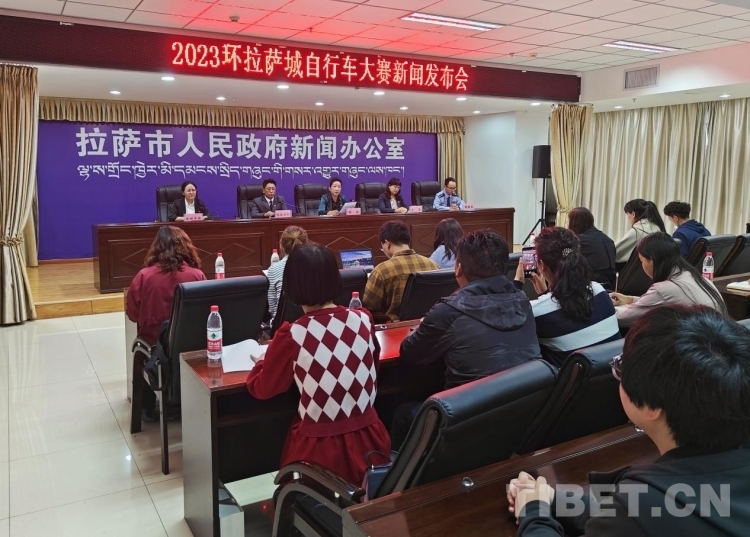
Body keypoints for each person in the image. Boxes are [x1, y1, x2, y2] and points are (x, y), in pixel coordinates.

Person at [508, 305, 750, 537]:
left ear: (652, 407)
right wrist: (551, 498)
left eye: (622, 366)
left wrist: (533, 511)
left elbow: (641, 513)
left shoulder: (645, 505)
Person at [245, 244, 390, 485]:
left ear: (291, 285)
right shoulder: (364, 319)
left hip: (320, 454)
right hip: (373, 442)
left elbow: (263, 388)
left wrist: (261, 363)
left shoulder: (293, 334)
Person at [393, 230, 541, 449]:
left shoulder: (448, 311)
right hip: (524, 414)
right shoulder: (523, 300)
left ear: (458, 268)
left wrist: (421, 328)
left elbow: (410, 354)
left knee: (400, 412)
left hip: (466, 421)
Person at [126, 226, 206, 419]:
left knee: (140, 347)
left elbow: (133, 315)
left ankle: (147, 406)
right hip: (191, 345)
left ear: (156, 248)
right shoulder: (197, 275)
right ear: (186, 247)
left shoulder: (144, 276)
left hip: (155, 347)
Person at [513, 227, 620, 367]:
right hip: (614, 374)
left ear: (541, 265)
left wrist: (517, 283)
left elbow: (511, 322)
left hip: (573, 380)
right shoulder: (599, 291)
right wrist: (546, 294)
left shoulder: (537, 312)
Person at [610, 232, 726, 328]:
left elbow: (621, 319)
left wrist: (605, 306)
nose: (642, 265)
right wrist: (630, 299)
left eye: (642, 261)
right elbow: (661, 302)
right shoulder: (694, 276)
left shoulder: (664, 289)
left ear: (652, 260)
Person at [363, 221, 439, 323]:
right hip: (428, 325)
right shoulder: (433, 265)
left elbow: (368, 308)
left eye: (382, 247)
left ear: (387, 243)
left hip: (395, 329)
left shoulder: (381, 271)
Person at [266, 225, 308, 323]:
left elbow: (273, 309)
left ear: (281, 245)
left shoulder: (273, 270)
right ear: (306, 244)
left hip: (283, 326)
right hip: (310, 323)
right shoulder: (316, 266)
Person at [568, 207, 616, 290]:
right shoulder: (607, 239)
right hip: (611, 284)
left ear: (574, 222)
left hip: (590, 285)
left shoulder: (578, 241)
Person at [614, 199, 665, 265]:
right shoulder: (656, 227)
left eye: (627, 214)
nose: (627, 217)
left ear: (633, 214)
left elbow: (616, 252)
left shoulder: (637, 231)